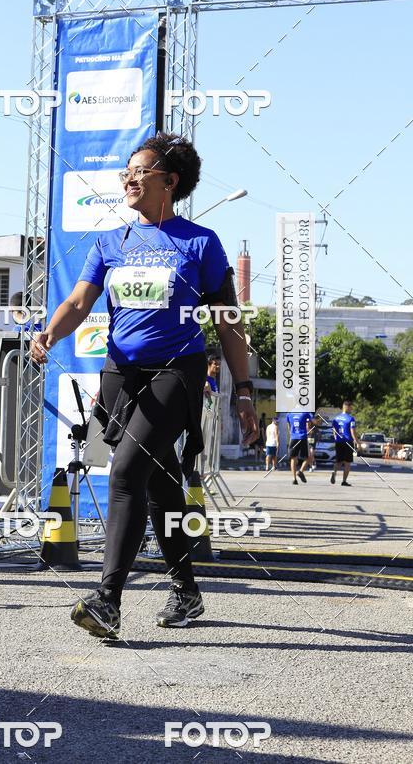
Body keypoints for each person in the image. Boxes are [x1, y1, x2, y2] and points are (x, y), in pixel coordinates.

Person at [30, 132, 258, 639]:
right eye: (126, 173)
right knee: (159, 481)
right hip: (121, 375)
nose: (129, 180)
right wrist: (49, 331)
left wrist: (244, 392)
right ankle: (186, 588)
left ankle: (108, 599)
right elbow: (78, 303)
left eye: (140, 172)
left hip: (177, 372)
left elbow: (227, 322)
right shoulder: (111, 242)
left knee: (128, 471)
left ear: (169, 182)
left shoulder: (201, 243)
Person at [331, 401, 358, 486]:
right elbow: (352, 432)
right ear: (347, 407)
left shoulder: (336, 418)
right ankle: (344, 481)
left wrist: (336, 438)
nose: (351, 409)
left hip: (338, 441)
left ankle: (334, 472)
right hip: (348, 442)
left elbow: (334, 430)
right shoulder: (350, 419)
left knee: (338, 461)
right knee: (347, 462)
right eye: (351, 407)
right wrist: (357, 441)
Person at [286, 411, 313, 485]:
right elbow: (309, 423)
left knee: (293, 458)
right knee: (308, 457)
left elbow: (289, 425)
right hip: (303, 437)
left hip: (293, 438)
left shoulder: (289, 413)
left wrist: (292, 434)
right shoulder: (305, 412)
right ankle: (301, 471)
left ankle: (294, 479)